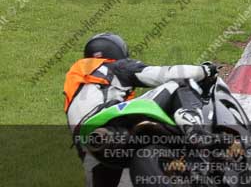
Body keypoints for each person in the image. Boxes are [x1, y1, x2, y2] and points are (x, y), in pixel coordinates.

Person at [64, 32, 217, 187]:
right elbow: (163, 74)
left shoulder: (76, 82)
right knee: (179, 83)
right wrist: (205, 71)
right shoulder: (115, 66)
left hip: (91, 146)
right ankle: (196, 134)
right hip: (110, 119)